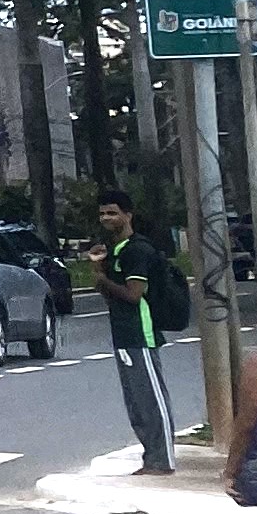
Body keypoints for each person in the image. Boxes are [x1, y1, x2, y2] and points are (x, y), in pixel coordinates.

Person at [91, 190, 180, 477]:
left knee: (151, 399)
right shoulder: (116, 251)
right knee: (137, 403)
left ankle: (162, 460)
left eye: (112, 212)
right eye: (102, 213)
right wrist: (100, 269)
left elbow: (133, 294)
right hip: (124, 336)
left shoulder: (136, 250)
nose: (106, 218)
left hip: (141, 334)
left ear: (128, 215)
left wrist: (102, 279)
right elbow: (113, 297)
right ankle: (151, 458)